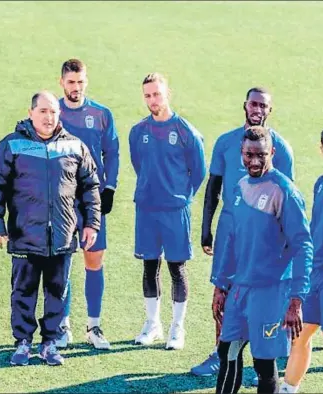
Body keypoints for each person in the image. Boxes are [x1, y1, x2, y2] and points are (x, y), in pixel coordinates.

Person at [0, 91, 101, 366]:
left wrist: (92, 224)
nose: (49, 117)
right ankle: (23, 342)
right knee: (23, 292)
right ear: (31, 112)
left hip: (62, 236)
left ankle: (50, 344)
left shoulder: (75, 147)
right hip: (25, 235)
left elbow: (90, 188)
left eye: (53, 112)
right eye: (43, 111)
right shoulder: (12, 145)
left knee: (57, 292)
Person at [191, 87, 295, 377]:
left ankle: (268, 352)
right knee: (223, 291)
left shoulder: (282, 148)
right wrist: (206, 228)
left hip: (263, 235)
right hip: (229, 230)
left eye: (263, 105)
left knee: (264, 292)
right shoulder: (226, 142)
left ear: (269, 111)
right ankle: (220, 354)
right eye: (254, 103)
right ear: (245, 105)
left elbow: (287, 200)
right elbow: (213, 186)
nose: (258, 109)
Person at [213, 126, 313, 394]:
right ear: (241, 153)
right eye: (249, 155)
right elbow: (232, 239)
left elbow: (303, 246)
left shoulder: (285, 192)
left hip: (271, 291)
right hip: (240, 288)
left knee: (264, 363)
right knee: (227, 351)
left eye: (261, 155)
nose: (254, 161)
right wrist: (221, 285)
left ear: (273, 153)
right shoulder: (240, 186)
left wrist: (296, 300)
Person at [129, 73, 206, 350]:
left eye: (157, 94)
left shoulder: (185, 131)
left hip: (175, 210)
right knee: (150, 267)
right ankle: (153, 324)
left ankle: (177, 328)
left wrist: (181, 196)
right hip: (147, 208)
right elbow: (139, 164)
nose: (153, 100)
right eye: (148, 95)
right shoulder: (138, 132)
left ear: (167, 93)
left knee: (177, 268)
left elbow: (199, 171)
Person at [55, 59, 119, 350]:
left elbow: (113, 153)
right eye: (71, 82)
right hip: (62, 201)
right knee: (62, 262)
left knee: (94, 260)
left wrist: (110, 188)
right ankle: (61, 325)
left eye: (80, 82)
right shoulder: (52, 112)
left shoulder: (101, 114)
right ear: (62, 83)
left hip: (92, 200)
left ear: (86, 82)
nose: (76, 88)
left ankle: (94, 326)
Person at [280, 122, 323, 394]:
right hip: (315, 274)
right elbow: (314, 229)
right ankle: (287, 390)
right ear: (321, 149)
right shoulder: (321, 182)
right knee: (299, 336)